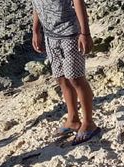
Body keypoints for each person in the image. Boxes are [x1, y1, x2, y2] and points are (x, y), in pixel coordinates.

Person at [31, 0, 101, 145]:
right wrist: (36, 30)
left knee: (76, 78)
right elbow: (36, 5)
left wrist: (85, 33)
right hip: (50, 36)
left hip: (70, 33)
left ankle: (89, 123)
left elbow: (78, 2)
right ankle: (73, 120)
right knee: (61, 78)